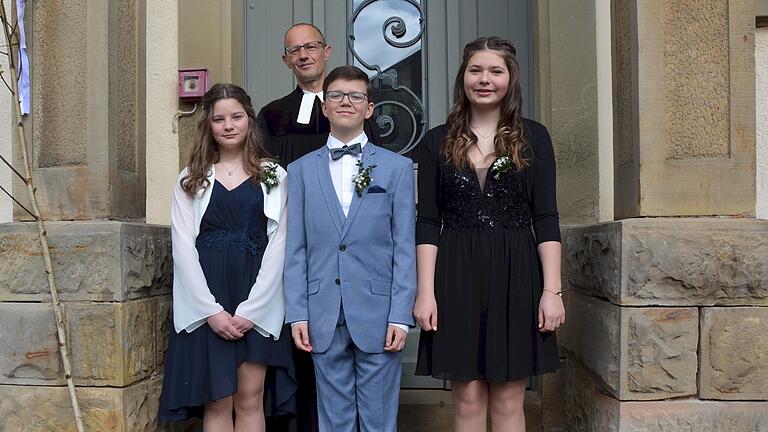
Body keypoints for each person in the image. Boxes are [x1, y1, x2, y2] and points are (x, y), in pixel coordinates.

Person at [413, 36, 565, 431]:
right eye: (475, 70)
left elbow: (546, 217)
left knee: (510, 398)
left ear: (510, 78)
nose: (485, 79)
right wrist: (425, 292)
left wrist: (552, 291)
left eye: (495, 71)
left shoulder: (534, 137)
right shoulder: (436, 141)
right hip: (456, 275)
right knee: (466, 398)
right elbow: (428, 221)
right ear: (463, 77)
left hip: (517, 274)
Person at [284, 65, 417, 432]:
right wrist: (298, 313)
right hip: (322, 313)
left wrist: (400, 315)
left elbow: (404, 247)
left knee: (378, 420)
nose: (346, 102)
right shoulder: (299, 171)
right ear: (324, 107)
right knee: (334, 419)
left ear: (369, 108)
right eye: (336, 95)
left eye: (356, 96)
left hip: (379, 314)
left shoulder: (397, 169)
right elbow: (295, 248)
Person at [158, 83, 296, 431]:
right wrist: (211, 311)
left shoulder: (273, 176)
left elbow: (279, 243)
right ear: (208, 125)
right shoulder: (192, 179)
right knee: (217, 400)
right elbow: (183, 247)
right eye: (219, 119)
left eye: (236, 116)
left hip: (257, 295)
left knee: (250, 396)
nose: (228, 125)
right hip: (208, 295)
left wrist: (252, 310)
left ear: (249, 119)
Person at [256, 23, 380, 167]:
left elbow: (377, 162)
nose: (303, 56)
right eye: (294, 50)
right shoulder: (271, 115)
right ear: (286, 60)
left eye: (311, 47)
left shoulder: (354, 108)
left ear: (326, 52)